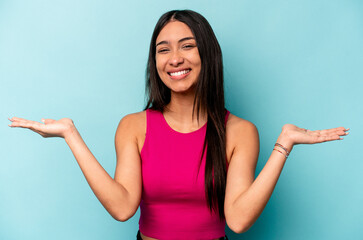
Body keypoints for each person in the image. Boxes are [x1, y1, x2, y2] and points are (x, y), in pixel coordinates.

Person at [8, 10, 349, 240]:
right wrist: (71, 135)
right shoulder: (134, 126)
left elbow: (239, 220)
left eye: (188, 46)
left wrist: (284, 145)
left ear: (208, 55)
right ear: (155, 61)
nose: (174, 59)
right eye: (163, 49)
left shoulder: (240, 132)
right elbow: (123, 207)